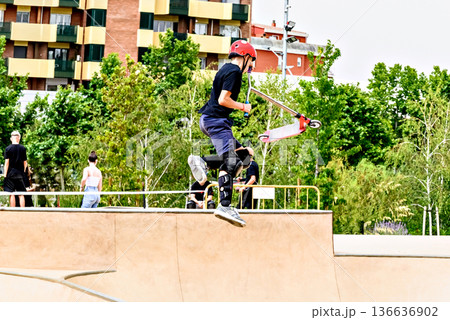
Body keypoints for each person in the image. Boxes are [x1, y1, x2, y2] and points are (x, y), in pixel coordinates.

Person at [188, 40, 256, 227]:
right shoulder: (234, 72)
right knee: (231, 161)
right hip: (217, 121)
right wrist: (244, 106)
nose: (251, 67)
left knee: (244, 155)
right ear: (246, 56)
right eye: (251, 62)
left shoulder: (225, 68)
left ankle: (203, 162)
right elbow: (223, 99)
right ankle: (224, 205)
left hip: (211, 121)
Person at [3, 131, 27, 207]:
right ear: (18, 138)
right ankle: (23, 211)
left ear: (11, 138)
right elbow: (25, 163)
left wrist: (5, 175)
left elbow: (6, 163)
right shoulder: (23, 148)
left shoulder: (8, 149)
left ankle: (12, 211)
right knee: (21, 194)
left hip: (10, 174)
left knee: (11, 193)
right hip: (19, 174)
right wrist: (23, 172)